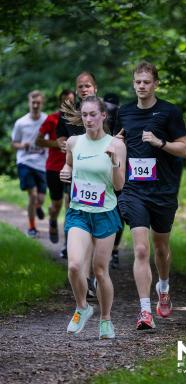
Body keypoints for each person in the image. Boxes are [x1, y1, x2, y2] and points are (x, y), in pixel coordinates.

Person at [115, 61, 186, 330]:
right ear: (133, 83)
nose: (142, 86)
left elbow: (184, 150)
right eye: (137, 82)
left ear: (156, 83)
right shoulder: (124, 113)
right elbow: (116, 142)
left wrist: (161, 143)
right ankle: (145, 311)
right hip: (134, 190)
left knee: (160, 249)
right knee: (141, 248)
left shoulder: (169, 112)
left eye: (147, 82)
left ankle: (164, 286)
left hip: (163, 191)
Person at [60, 95, 126, 339]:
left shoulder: (116, 145)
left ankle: (106, 319)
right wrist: (66, 171)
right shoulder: (74, 142)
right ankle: (82, 307)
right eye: (85, 115)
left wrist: (115, 161)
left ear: (103, 116)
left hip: (105, 214)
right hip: (79, 212)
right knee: (75, 265)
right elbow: (69, 164)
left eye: (93, 115)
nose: (88, 119)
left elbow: (119, 186)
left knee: (100, 271)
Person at [56, 71, 98, 299]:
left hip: (98, 178)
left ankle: (89, 275)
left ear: (95, 88)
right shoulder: (67, 113)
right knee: (76, 220)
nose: (84, 89)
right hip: (74, 176)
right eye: (80, 86)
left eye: (88, 85)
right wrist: (65, 147)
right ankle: (77, 265)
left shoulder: (104, 112)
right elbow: (61, 138)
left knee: (92, 226)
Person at [35, 89, 75, 243]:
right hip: (53, 167)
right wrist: (57, 144)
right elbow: (38, 141)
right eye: (65, 100)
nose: (68, 103)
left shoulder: (79, 119)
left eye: (71, 100)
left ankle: (68, 242)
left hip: (72, 167)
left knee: (69, 204)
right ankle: (52, 220)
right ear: (60, 102)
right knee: (57, 204)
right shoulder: (52, 119)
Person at [12, 90, 48, 238]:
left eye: (38, 102)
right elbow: (14, 144)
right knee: (32, 196)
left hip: (42, 164)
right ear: (29, 102)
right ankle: (32, 228)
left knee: (40, 199)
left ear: (42, 103)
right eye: (33, 102)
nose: (35, 105)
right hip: (25, 162)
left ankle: (38, 206)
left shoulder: (47, 120)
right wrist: (23, 145)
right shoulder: (21, 122)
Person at [104, 93, 125, 269]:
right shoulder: (97, 118)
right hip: (100, 173)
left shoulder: (124, 119)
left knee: (118, 212)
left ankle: (115, 250)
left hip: (118, 168)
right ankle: (108, 251)